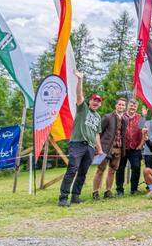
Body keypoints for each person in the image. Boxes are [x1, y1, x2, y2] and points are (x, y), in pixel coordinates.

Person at [58, 70, 103, 207]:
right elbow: (79, 95)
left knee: (83, 172)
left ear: (100, 104)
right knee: (72, 169)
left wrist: (99, 149)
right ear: (89, 101)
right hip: (77, 144)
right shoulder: (83, 109)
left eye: (98, 101)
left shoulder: (98, 117)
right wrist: (80, 80)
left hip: (90, 147)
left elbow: (96, 134)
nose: (95, 103)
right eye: (94, 100)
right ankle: (63, 198)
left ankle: (75, 197)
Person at [92, 97, 129, 200]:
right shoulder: (107, 117)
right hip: (106, 148)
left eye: (123, 105)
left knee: (112, 171)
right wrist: (98, 148)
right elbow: (98, 133)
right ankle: (95, 192)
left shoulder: (126, 119)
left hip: (118, 148)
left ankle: (108, 191)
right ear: (115, 106)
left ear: (125, 107)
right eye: (119, 104)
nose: (121, 106)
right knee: (100, 170)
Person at [115, 99, 145, 196]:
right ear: (127, 106)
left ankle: (134, 189)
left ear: (137, 108)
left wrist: (140, 145)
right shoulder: (122, 116)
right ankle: (119, 190)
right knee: (120, 168)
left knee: (136, 167)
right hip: (122, 147)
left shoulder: (140, 117)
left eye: (134, 106)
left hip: (135, 148)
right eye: (131, 105)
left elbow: (142, 132)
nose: (133, 107)